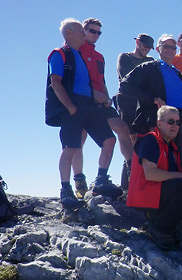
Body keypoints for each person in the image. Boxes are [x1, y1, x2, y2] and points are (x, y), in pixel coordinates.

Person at [46, 18, 121, 209]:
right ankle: (66, 189)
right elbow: (55, 82)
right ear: (69, 33)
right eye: (81, 31)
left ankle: (101, 181)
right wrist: (70, 107)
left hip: (89, 106)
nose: (84, 34)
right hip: (73, 106)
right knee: (70, 147)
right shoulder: (59, 54)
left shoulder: (79, 55)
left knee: (109, 140)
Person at [127, 106, 182, 250]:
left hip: (159, 192)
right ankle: (160, 230)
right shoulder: (150, 140)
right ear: (159, 123)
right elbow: (151, 174)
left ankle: (163, 219)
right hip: (146, 194)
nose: (175, 126)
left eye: (178, 123)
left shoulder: (172, 147)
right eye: (170, 122)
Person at [119, 34, 182, 174]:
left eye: (173, 47)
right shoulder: (148, 68)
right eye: (166, 46)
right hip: (157, 121)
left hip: (181, 122)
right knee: (159, 163)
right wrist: (152, 99)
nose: (170, 50)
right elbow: (124, 86)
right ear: (157, 49)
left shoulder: (179, 74)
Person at [78, 18, 134, 192]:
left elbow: (101, 81)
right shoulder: (75, 51)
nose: (96, 35)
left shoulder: (99, 56)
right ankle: (79, 180)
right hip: (81, 101)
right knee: (79, 141)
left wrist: (108, 99)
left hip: (101, 103)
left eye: (98, 32)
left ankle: (124, 171)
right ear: (83, 30)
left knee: (122, 129)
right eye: (92, 31)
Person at [116, 33, 155, 144]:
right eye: (145, 46)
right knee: (130, 134)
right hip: (128, 99)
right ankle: (130, 160)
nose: (147, 50)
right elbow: (126, 80)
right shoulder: (125, 57)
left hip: (144, 101)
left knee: (145, 134)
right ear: (137, 43)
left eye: (149, 48)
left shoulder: (150, 60)